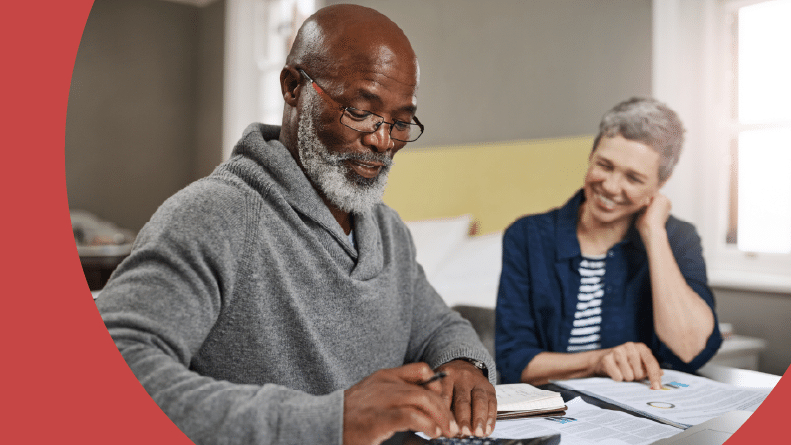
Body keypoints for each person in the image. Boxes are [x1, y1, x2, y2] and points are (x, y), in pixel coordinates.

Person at [97, 5, 496, 445]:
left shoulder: (387, 231)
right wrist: (332, 420)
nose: (382, 141)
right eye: (360, 111)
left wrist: (464, 365)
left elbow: (439, 326)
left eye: (401, 123)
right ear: (292, 87)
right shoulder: (215, 216)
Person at [495, 97, 722, 389]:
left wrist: (654, 233)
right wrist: (598, 361)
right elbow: (515, 363)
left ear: (660, 184)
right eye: (605, 165)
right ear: (591, 155)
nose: (612, 187)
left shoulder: (678, 238)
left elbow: (690, 351)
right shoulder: (527, 236)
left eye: (634, 178)